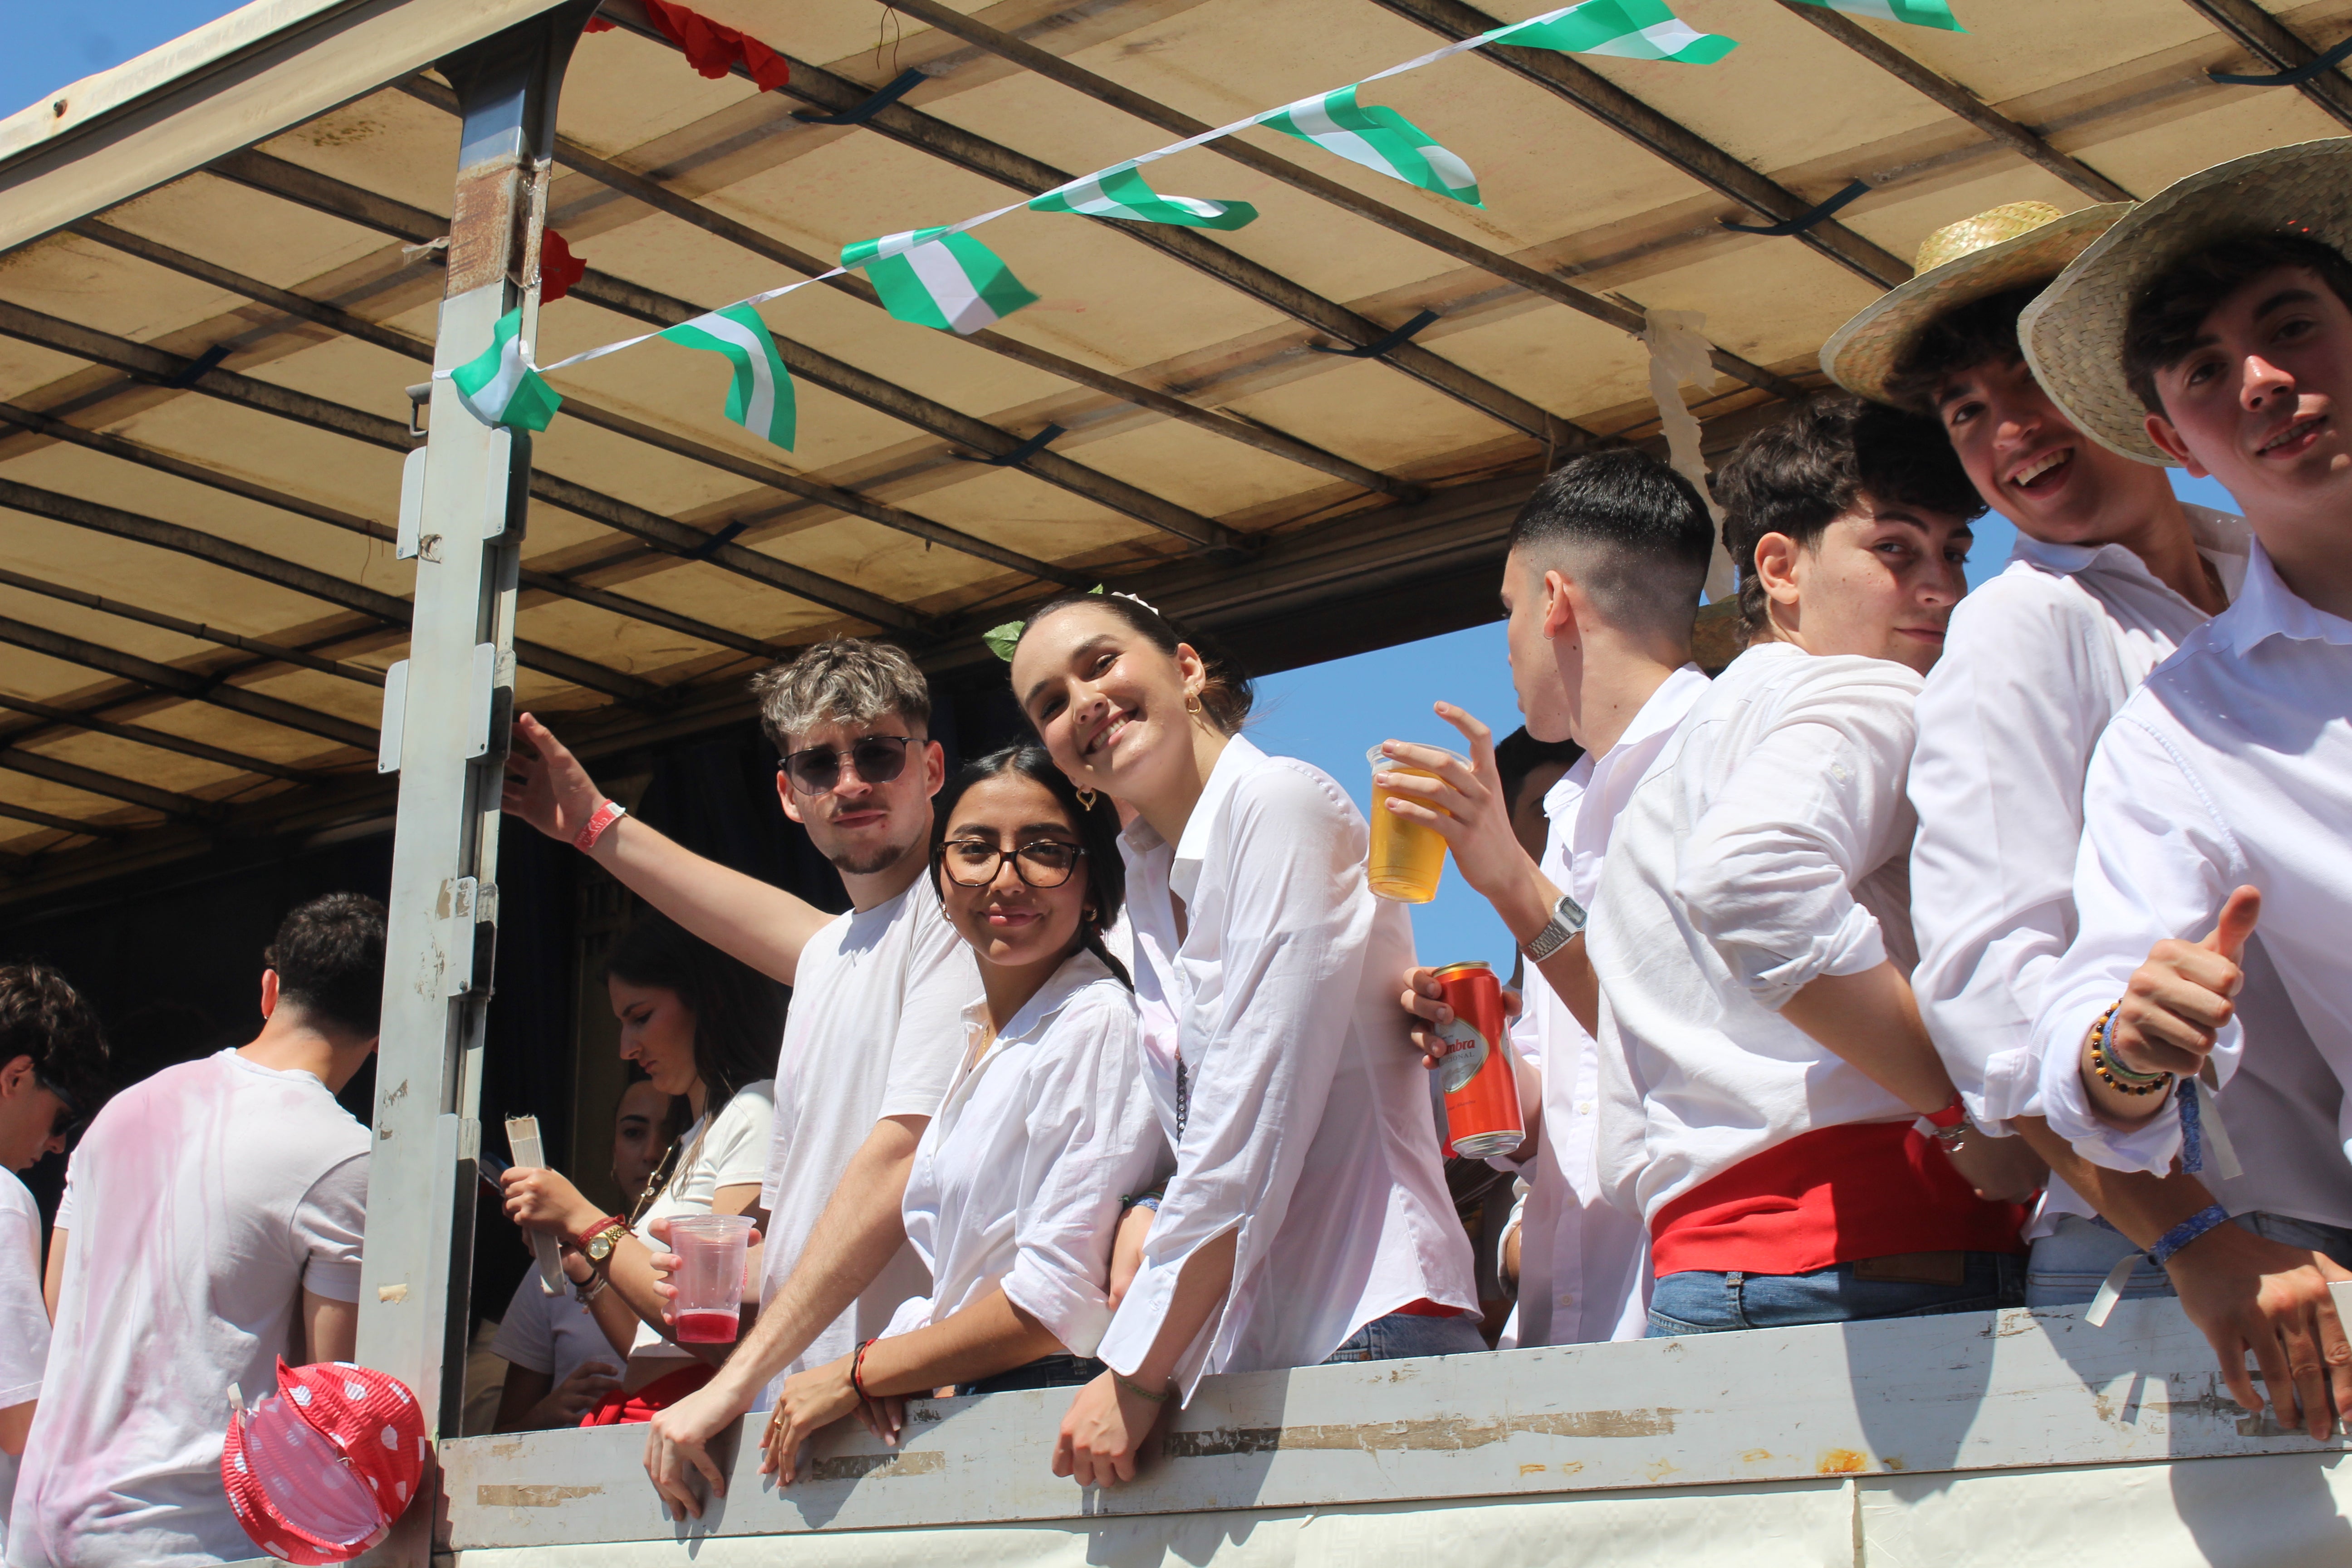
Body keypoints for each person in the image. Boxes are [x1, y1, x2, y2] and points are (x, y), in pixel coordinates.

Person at [1827, 198, 2352, 1394]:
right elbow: (1993, 997)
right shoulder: (2025, 626)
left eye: (2030, 384)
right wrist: (2194, 1236)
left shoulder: (2250, 561)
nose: (2007, 432)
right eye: (1967, 412)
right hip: (2202, 1253)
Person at [2018, 137, 2352, 1439]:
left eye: (2291, 329)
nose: (2263, 381)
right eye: (2209, 372)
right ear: (2176, 440)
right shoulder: (2184, 728)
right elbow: (2082, 1026)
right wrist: (2130, 1047)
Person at [1589, 397, 2044, 1337]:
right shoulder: (1871, 691)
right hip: (1894, 1248)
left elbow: (1625, 1111)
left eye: (1954, 553)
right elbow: (1751, 875)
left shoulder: (1667, 762)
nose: (1942, 588)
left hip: (1694, 1272)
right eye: (1895, 550)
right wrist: (1962, 1119)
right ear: (1780, 568)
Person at [1007, 591, 1478, 1490]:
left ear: (1186, 669)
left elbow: (1248, 1118)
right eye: (1051, 704)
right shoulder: (1144, 891)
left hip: (1369, 1324)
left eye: (1100, 663)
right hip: (1249, 1355)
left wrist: (1137, 1372)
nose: (1083, 703)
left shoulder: (1281, 805)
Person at [502, 640, 980, 1516]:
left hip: (902, 1419)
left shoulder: (958, 915)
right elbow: (760, 920)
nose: (851, 782)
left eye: (877, 752)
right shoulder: (837, 953)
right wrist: (592, 827)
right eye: (819, 763)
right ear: (787, 795)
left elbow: (898, 1165)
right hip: (811, 1417)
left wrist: (728, 1382)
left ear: (932, 766)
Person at [1381, 451, 1714, 1351]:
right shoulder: (1570, 809)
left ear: (1555, 602)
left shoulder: (1716, 760)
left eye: (1507, 609)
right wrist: (1470, 1047)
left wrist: (1511, 881)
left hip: (1692, 1308)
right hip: (1570, 1326)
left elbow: (1681, 1037)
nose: (1509, 642)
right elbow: (1557, 1105)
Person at [760, 746, 1167, 1480]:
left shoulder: (1095, 1022)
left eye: (1043, 851)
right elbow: (966, 1274)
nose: (1005, 878)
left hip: (1058, 1418)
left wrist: (859, 1371)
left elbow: (1058, 1299)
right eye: (974, 848)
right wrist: (891, 1366)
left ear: (1093, 885)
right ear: (941, 879)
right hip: (989, 1405)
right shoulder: (984, 1036)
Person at [7, 894, 384, 1568]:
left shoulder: (125, 1111)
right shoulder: (344, 1158)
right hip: (188, 1536)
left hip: (46, 1524)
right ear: (384, 1029)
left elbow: (61, 1315)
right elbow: (325, 1399)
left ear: (270, 990)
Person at [501, 915, 779, 1422]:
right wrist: (586, 1263)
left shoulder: (755, 1110)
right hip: (658, 1412)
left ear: (706, 998)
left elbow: (721, 1333)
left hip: (698, 1416)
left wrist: (586, 1222)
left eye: (641, 1016)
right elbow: (650, 1342)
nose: (627, 1048)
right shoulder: (691, 1139)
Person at [491, 1076, 673, 1432]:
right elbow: (502, 1436)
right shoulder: (555, 1262)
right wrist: (549, 1413)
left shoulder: (706, 1259)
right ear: (613, 1150)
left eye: (671, 1133)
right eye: (633, 1133)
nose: (652, 1151)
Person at [0, 965, 105, 1561]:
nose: (59, 1145)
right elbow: (22, 1423)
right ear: (17, 1076)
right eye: (62, 1117)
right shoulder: (3, 1201)